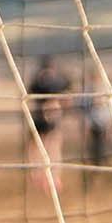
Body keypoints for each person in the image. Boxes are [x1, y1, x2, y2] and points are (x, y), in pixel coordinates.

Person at [24, 51, 72, 195]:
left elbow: (29, 95)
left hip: (38, 117)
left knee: (36, 148)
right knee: (53, 147)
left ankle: (38, 176)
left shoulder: (36, 79)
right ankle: (53, 178)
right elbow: (67, 93)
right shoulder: (57, 79)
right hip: (50, 118)